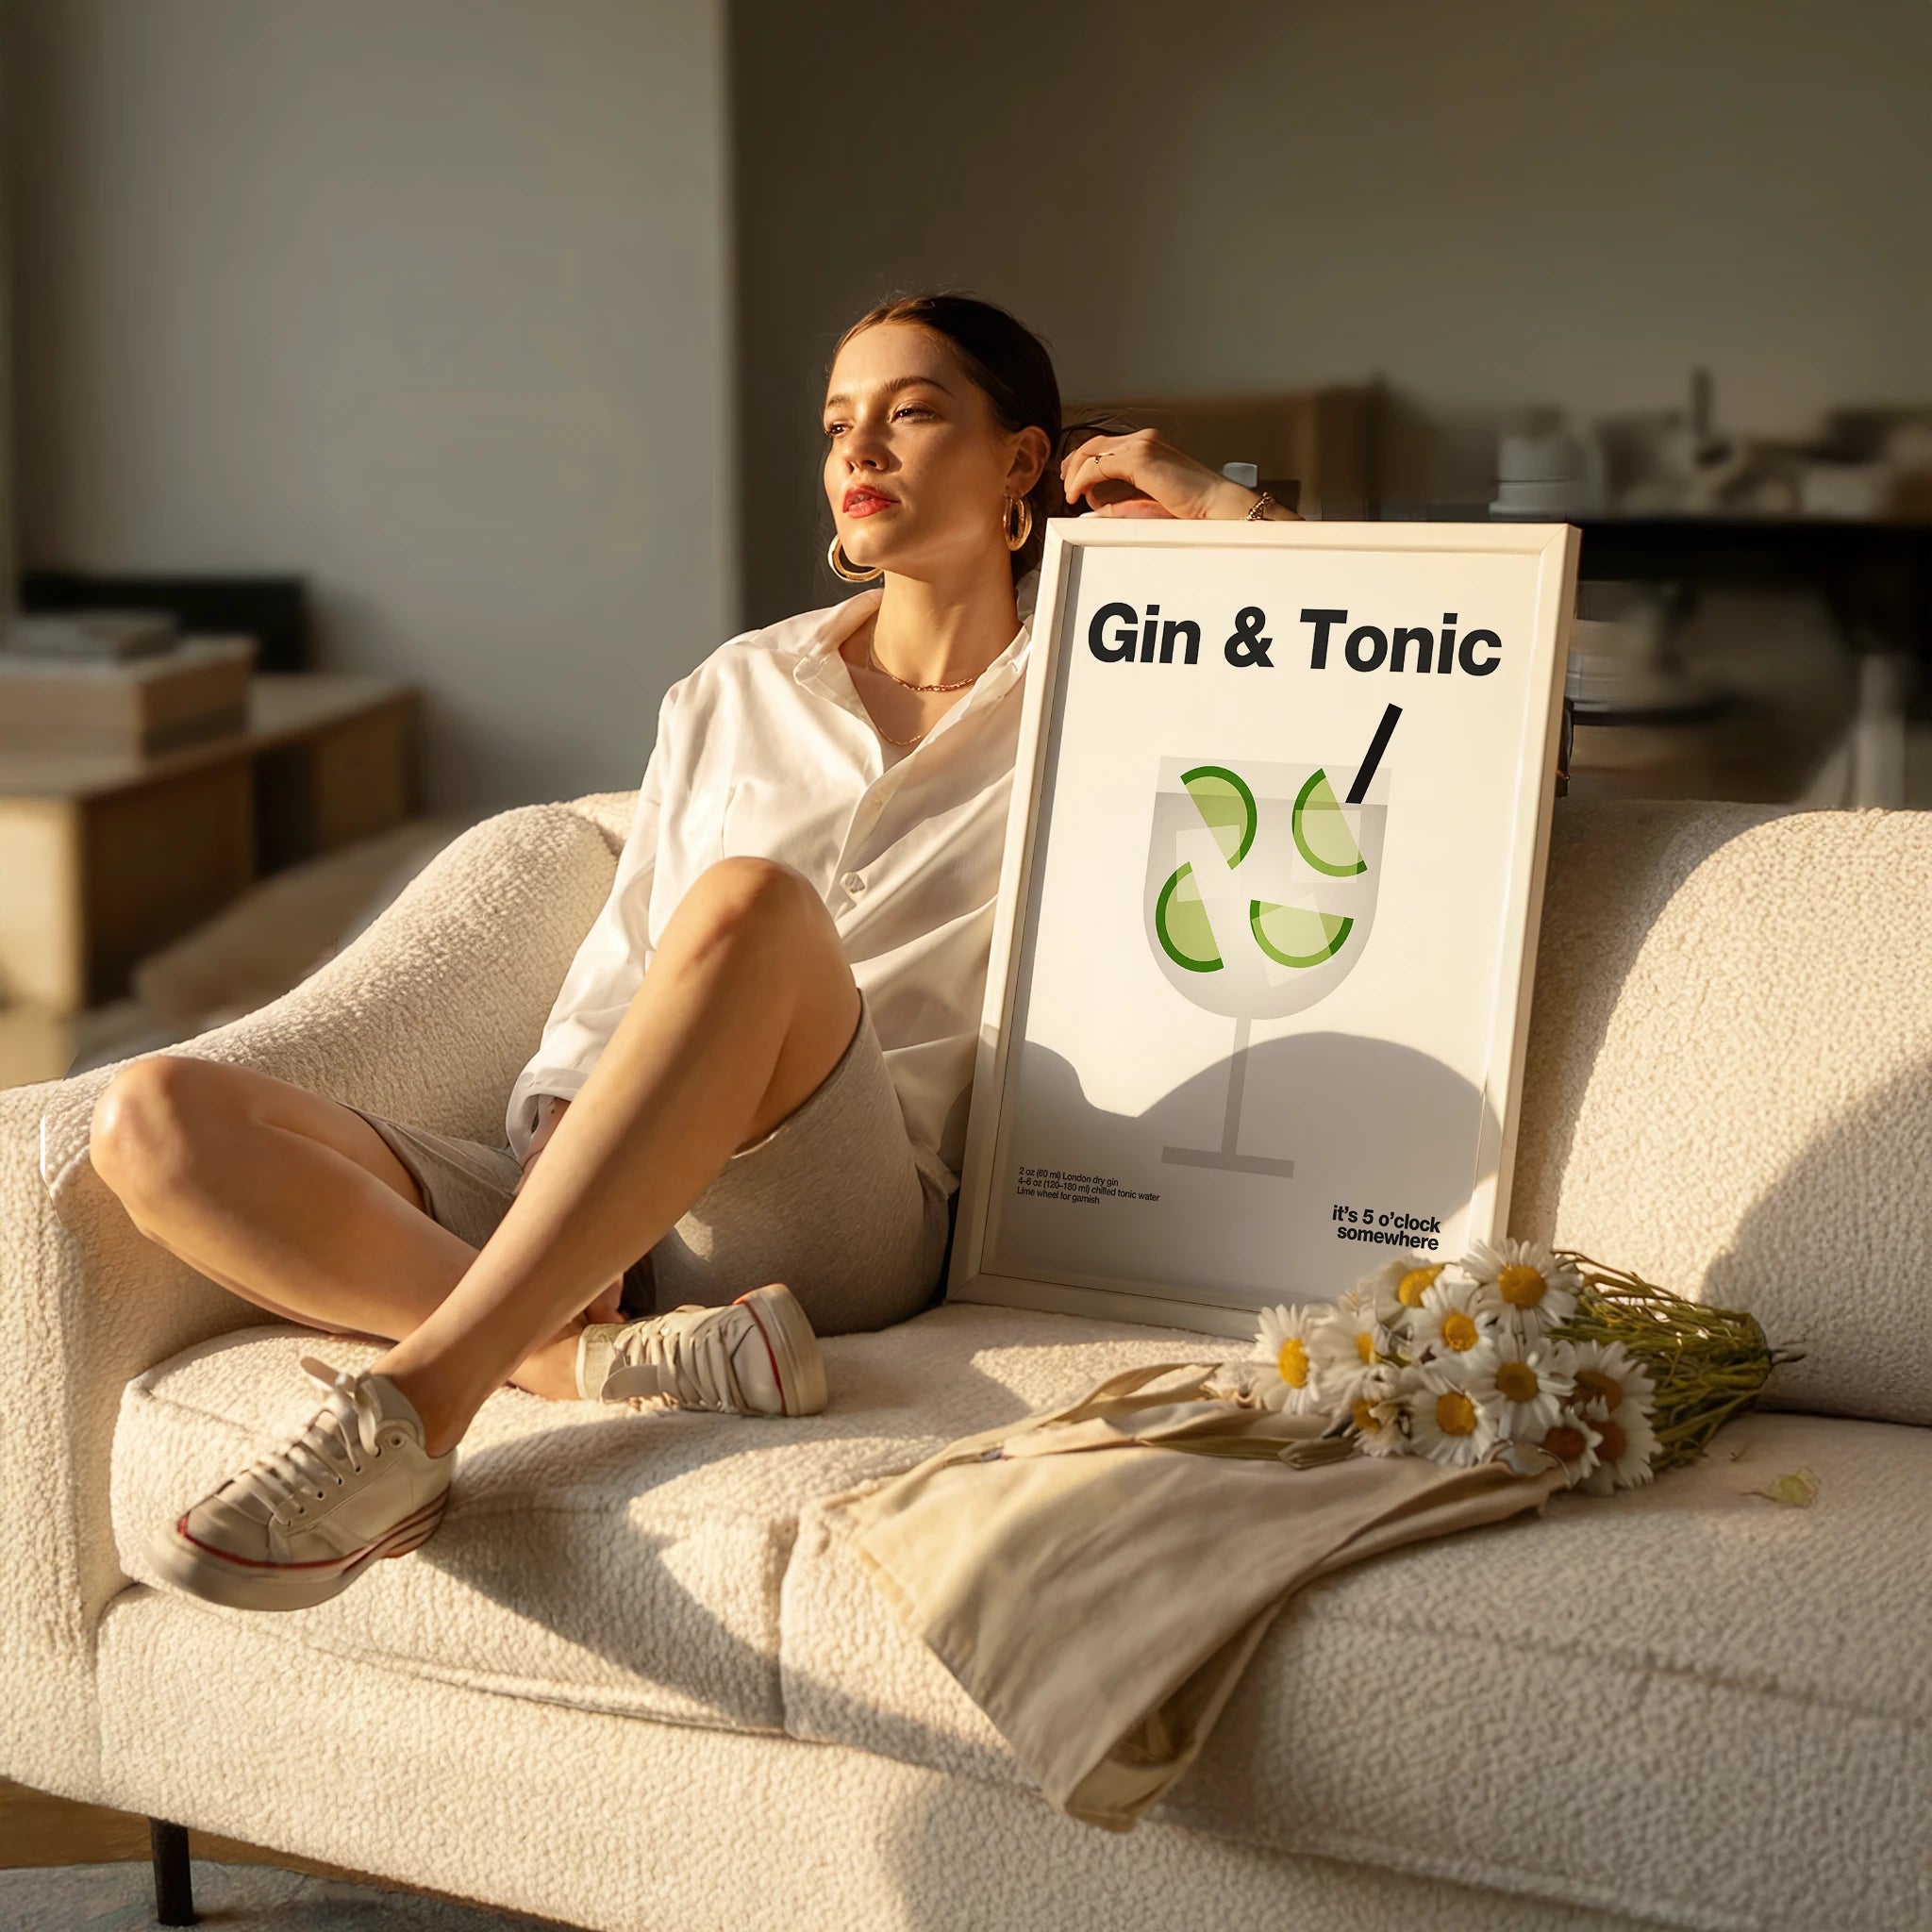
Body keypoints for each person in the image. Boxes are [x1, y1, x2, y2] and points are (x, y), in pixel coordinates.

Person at [93, 291, 1302, 1612]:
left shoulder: (1104, 687)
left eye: (912, 415)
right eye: (839, 425)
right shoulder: (738, 686)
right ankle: (586, 1361)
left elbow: (1397, 672)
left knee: (750, 908)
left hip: (842, 1202)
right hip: (612, 1179)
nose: (862, 453)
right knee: (150, 1117)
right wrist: (562, 1128)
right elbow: (623, 957)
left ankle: (410, 1416)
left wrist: (1195, 492)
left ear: (1022, 460)